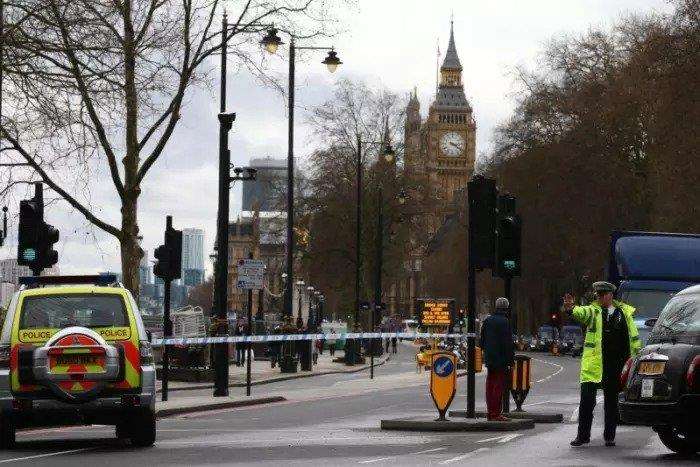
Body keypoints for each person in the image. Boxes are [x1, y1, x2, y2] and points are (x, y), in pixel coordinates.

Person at [564, 281, 641, 447]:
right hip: (594, 365)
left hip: (615, 365)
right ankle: (582, 436)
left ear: (610, 295)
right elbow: (582, 313)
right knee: (586, 401)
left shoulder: (624, 313)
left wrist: (634, 360)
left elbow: (633, 339)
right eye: (597, 295)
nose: (599, 298)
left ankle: (609, 436)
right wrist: (571, 308)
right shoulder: (594, 311)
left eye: (602, 295)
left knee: (611, 403)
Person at [479, 297, 515, 421]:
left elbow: (481, 341)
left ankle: (490, 412)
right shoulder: (505, 322)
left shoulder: (488, 321)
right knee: (498, 387)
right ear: (506, 307)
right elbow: (507, 344)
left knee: (490, 385)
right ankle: (496, 413)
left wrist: (487, 352)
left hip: (490, 359)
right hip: (501, 360)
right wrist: (511, 361)